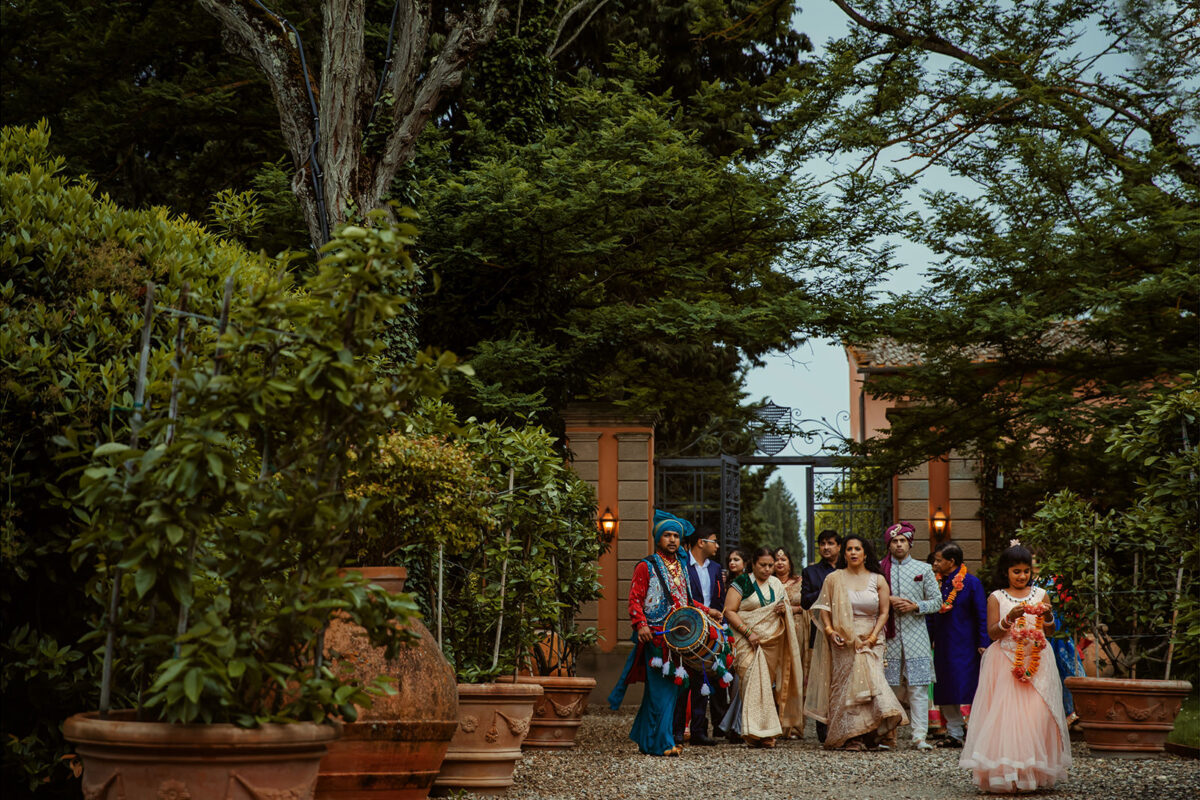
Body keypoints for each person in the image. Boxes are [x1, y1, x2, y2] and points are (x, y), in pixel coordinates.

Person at [607, 510, 721, 756]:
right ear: (658, 538)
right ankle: (663, 743)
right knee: (663, 689)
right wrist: (641, 625)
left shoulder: (681, 566)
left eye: (676, 536)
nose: (672, 540)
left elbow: (687, 601)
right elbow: (635, 599)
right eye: (667, 535)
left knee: (668, 689)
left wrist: (708, 611)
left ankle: (647, 738)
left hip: (678, 637)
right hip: (655, 636)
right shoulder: (645, 566)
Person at [961, 542, 1071, 793]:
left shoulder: (1041, 594)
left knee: (1037, 717)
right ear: (1006, 572)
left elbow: (1051, 631)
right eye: (1016, 571)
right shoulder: (997, 597)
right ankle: (1008, 775)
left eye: (1026, 571)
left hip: (1039, 661)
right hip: (1006, 662)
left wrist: (1048, 616)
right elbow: (992, 634)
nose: (1022, 576)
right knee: (1007, 719)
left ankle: (1033, 773)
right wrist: (1010, 617)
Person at [804, 535, 906, 750]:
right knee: (845, 686)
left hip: (872, 639)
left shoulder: (877, 580)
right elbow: (824, 609)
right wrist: (831, 632)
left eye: (857, 549)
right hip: (844, 640)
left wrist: (872, 637)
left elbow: (884, 612)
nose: (852, 552)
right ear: (845, 553)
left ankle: (872, 733)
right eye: (849, 549)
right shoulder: (834, 578)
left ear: (865, 553)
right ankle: (851, 736)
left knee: (872, 683)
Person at [723, 547, 805, 748]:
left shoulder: (776, 584)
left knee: (766, 686)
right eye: (763, 565)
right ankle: (755, 731)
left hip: (770, 642)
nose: (768, 569)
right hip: (746, 641)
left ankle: (762, 732)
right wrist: (749, 633)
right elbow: (729, 611)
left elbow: (785, 607)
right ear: (753, 564)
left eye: (770, 565)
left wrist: (782, 609)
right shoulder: (741, 582)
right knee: (751, 680)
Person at [881, 521, 942, 751]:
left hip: (916, 634)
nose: (898, 544)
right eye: (894, 541)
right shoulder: (880, 569)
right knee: (890, 686)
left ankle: (919, 736)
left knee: (918, 687)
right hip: (889, 636)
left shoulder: (924, 569)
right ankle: (889, 736)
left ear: (910, 543)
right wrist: (889, 601)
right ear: (889, 544)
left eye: (902, 541)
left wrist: (915, 606)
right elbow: (872, 598)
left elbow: (937, 602)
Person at [927, 541, 988, 747]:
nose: (934, 564)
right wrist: (928, 639)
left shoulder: (971, 583)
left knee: (970, 687)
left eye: (938, 560)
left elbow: (981, 614)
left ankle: (980, 734)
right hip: (943, 645)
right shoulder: (935, 583)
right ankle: (954, 733)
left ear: (951, 562)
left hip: (967, 645)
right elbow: (930, 614)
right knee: (945, 688)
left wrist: (983, 642)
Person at [672, 525, 725, 746]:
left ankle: (699, 731)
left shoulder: (716, 568)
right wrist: (704, 611)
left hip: (710, 629)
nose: (717, 545)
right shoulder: (682, 567)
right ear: (701, 542)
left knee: (703, 679)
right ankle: (676, 731)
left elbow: (719, 596)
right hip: (686, 627)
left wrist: (717, 616)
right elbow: (681, 597)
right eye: (714, 540)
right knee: (684, 680)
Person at [801, 530, 840, 743]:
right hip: (820, 633)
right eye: (822, 543)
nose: (826, 547)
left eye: (831, 543)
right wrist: (826, 588)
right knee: (823, 681)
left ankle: (843, 726)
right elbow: (805, 602)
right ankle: (823, 731)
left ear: (839, 546)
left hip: (846, 630)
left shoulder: (848, 569)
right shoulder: (811, 572)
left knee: (843, 678)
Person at [712, 547, 749, 741]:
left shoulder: (748, 582)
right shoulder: (723, 581)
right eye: (730, 560)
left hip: (741, 632)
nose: (732, 563)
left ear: (745, 562)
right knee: (723, 676)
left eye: (737, 559)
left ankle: (737, 725)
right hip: (723, 631)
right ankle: (722, 724)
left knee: (738, 679)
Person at [774, 546, 809, 738]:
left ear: (790, 562)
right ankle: (777, 724)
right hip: (774, 633)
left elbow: (809, 607)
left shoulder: (800, 582)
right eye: (776, 559)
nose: (780, 562)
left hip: (796, 632)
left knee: (795, 676)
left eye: (783, 559)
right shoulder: (767, 583)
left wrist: (791, 610)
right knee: (776, 678)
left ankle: (794, 725)